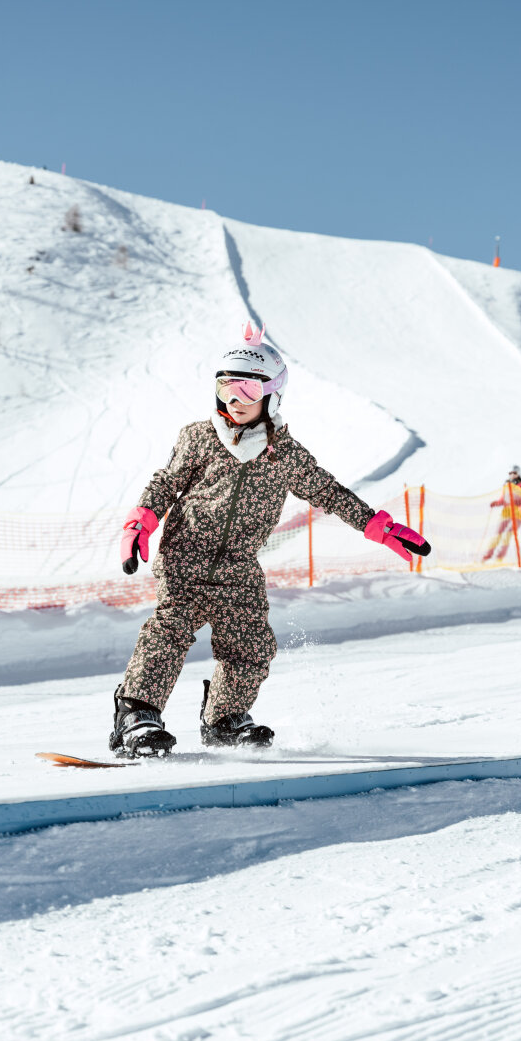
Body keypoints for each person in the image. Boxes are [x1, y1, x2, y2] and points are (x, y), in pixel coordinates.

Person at [109, 321, 432, 758]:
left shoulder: (286, 454)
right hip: (185, 554)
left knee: (252, 644)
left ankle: (225, 718)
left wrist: (376, 525)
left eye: (247, 391)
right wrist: (141, 520)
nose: (234, 401)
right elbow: (166, 483)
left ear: (273, 395)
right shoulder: (199, 436)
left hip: (239, 565)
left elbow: (328, 491)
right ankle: (137, 715)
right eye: (225, 389)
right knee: (170, 629)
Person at [482, 466, 521, 562]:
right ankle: (488, 555)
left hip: (518, 515)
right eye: (511, 473)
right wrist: (497, 503)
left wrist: (520, 509)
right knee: (497, 534)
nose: (512, 475)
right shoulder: (507, 485)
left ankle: (499, 557)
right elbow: (503, 499)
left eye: (515, 473)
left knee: (507, 535)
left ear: (518, 474)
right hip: (506, 513)